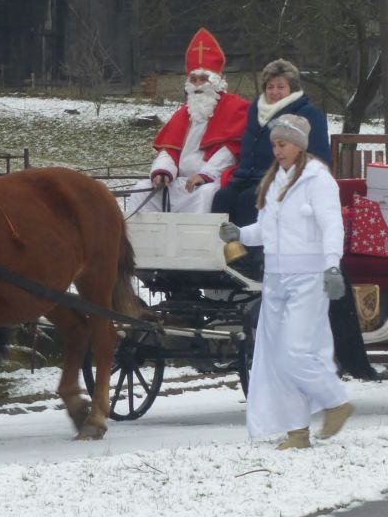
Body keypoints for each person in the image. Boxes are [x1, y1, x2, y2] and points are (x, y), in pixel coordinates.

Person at [219, 114, 354, 449]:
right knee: (279, 357)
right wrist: (241, 234)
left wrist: (332, 266)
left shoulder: (317, 180)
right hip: (276, 279)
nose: (276, 151)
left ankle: (335, 401)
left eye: (282, 144)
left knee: (295, 351)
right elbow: (267, 229)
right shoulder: (275, 180)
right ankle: (297, 431)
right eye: (274, 145)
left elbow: (332, 226)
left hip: (308, 278)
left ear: (298, 145)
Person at [137, 28, 249, 214]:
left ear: (218, 80)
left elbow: (230, 152)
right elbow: (168, 150)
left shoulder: (236, 108)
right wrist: (163, 171)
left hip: (212, 179)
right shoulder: (184, 113)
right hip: (179, 180)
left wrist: (205, 175)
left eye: (204, 79)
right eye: (194, 79)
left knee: (205, 194)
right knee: (141, 190)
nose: (198, 84)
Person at [211, 58, 331, 229]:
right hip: (246, 177)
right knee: (222, 198)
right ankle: (222, 244)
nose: (274, 92)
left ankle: (250, 246)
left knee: (249, 200)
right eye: (270, 87)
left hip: (280, 177)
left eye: (280, 87)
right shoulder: (255, 110)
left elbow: (319, 156)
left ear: (292, 88)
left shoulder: (307, 113)